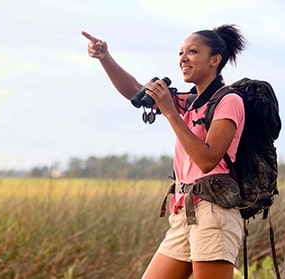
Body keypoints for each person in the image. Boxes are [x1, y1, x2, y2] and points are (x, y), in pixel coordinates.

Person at [82, 24, 247, 279]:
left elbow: (207, 159)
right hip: (184, 212)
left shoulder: (229, 101)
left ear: (215, 60)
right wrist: (105, 58)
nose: (183, 58)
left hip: (215, 214)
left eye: (192, 52)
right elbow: (135, 90)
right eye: (181, 52)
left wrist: (170, 111)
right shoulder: (190, 101)